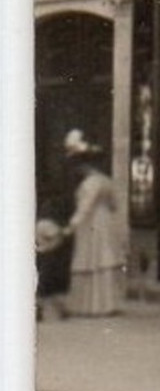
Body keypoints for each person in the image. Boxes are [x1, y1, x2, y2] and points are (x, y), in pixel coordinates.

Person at [63, 131, 128, 318]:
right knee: (102, 259)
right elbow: (115, 205)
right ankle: (106, 303)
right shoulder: (106, 181)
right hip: (106, 222)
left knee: (91, 258)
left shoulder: (91, 183)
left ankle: (90, 306)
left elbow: (84, 208)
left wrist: (71, 225)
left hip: (91, 224)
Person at [35, 136, 77, 321]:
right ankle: (49, 309)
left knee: (48, 285)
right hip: (51, 253)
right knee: (48, 284)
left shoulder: (43, 218)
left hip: (48, 252)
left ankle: (56, 309)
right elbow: (54, 232)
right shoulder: (48, 221)